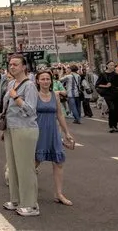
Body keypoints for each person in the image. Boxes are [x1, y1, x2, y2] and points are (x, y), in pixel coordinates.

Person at [1, 54, 40, 217]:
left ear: (24, 67)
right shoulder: (11, 83)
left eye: (16, 64)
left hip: (25, 128)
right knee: (13, 165)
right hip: (10, 128)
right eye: (10, 64)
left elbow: (31, 110)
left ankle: (31, 204)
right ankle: (16, 199)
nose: (12, 67)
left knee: (25, 167)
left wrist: (16, 97)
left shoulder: (29, 85)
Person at [35, 70, 74, 206]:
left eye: (48, 79)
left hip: (53, 132)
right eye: (43, 79)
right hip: (38, 132)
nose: (45, 81)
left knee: (58, 163)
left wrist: (66, 132)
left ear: (51, 81)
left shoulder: (55, 95)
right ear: (38, 81)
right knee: (34, 163)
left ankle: (58, 194)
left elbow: (60, 115)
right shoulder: (34, 95)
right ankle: (28, 192)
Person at [96, 60, 118, 133]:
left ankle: (115, 126)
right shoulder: (102, 74)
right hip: (107, 94)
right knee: (112, 108)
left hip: (116, 94)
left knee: (116, 110)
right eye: (110, 65)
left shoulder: (116, 75)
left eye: (113, 65)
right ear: (107, 66)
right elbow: (97, 85)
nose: (112, 66)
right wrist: (106, 85)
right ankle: (111, 126)